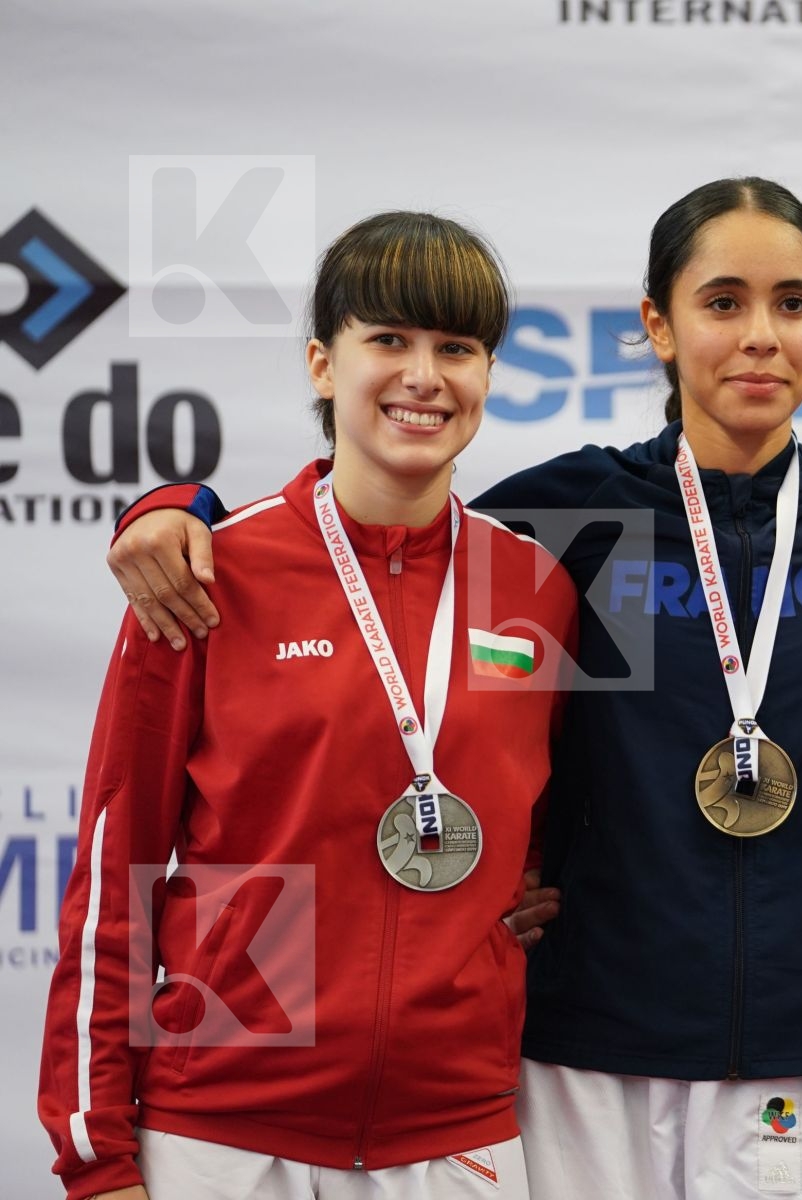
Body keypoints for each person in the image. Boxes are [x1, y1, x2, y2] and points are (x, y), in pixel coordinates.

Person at [98, 178, 802, 1200]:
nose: (760, 335)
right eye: (722, 302)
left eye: (792, 304)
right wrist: (175, 505)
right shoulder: (575, 516)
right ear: (657, 326)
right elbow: (370, 530)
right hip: (593, 1032)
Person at [40, 211, 579, 1200]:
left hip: (455, 1135)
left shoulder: (536, 588)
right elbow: (117, 873)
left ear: (490, 376)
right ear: (323, 365)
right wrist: (97, 1160)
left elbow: (540, 817)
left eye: (456, 348)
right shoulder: (206, 573)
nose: (424, 376)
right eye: (389, 340)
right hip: (226, 1136)